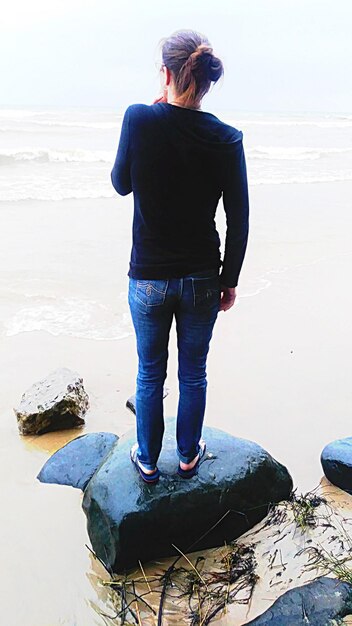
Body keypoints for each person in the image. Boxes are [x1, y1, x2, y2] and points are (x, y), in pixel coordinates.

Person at [111, 29, 249, 484]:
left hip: (148, 277)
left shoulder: (140, 118)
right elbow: (239, 216)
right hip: (202, 279)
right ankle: (188, 455)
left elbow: (120, 182)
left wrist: (152, 113)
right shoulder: (227, 137)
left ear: (167, 73)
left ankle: (147, 460)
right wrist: (229, 279)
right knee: (193, 373)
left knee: (150, 373)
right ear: (205, 81)